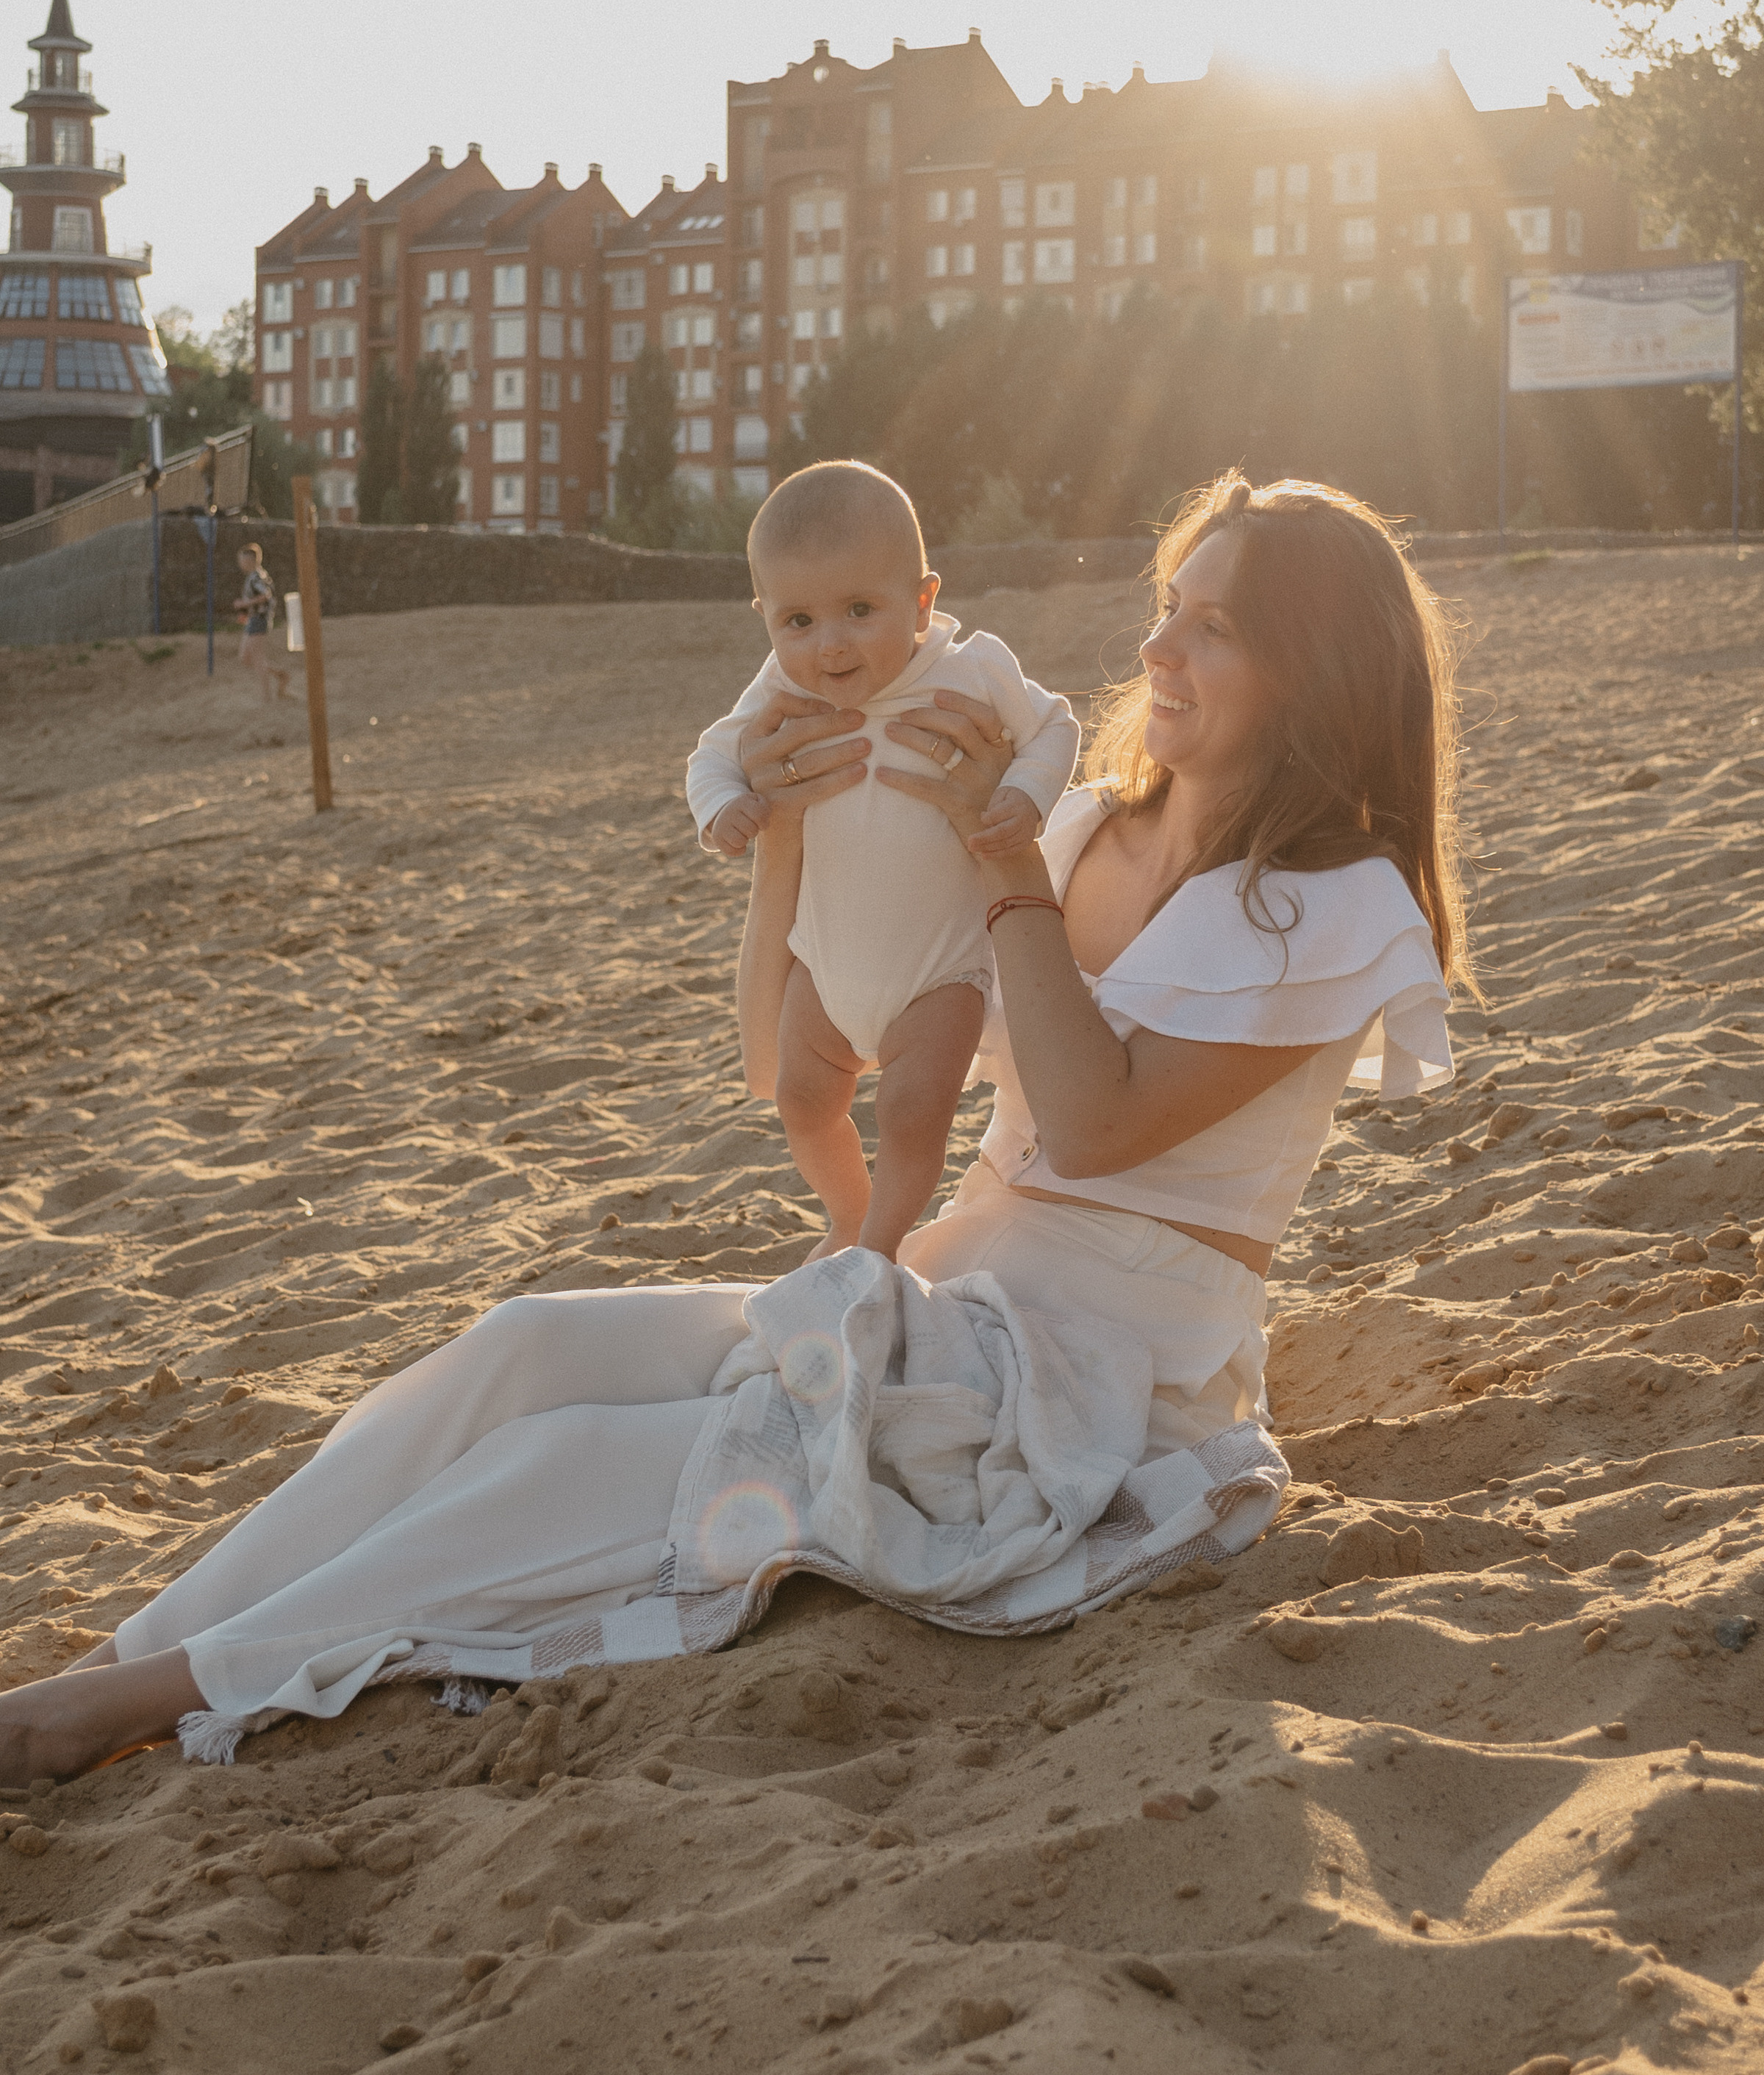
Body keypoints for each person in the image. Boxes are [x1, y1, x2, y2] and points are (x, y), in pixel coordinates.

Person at [0, 470, 1465, 1790]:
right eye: (1167, 609)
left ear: (1313, 665)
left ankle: (147, 1702)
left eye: (1209, 628)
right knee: (529, 1348)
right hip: (949, 1284)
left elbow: (1089, 1127)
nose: (1156, 653)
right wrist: (778, 840)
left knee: (576, 1465)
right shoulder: (1086, 827)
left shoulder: (1326, 903)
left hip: (1098, 1376)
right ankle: (121, 1659)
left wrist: (999, 849)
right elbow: (780, 1055)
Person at [687, 462, 1080, 1258]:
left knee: (913, 1111)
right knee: (802, 1100)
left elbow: (1056, 727)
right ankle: (846, 1213)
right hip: (823, 966)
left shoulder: (972, 671)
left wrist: (1028, 795)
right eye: (796, 621)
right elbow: (712, 755)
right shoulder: (778, 692)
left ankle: (884, 1240)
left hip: (937, 975)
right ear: (764, 618)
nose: (829, 645)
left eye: (860, 611)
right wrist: (723, 809)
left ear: (923, 600)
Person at [234, 544, 290, 702]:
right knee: (246, 657)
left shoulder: (256, 577)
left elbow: (265, 595)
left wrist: (243, 605)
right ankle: (280, 675)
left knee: (258, 658)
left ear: (249, 560)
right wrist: (245, 612)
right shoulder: (254, 576)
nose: (240, 563)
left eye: (242, 560)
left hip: (259, 620)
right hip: (254, 619)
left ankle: (267, 697)